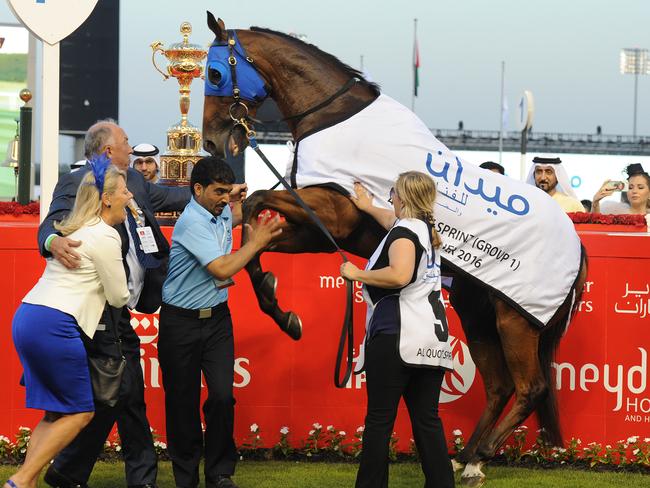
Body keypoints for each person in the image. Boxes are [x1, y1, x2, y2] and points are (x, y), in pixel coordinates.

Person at [38, 119, 191, 488]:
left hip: (123, 307)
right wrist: (52, 242)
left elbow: (173, 198)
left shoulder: (135, 181)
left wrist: (218, 190)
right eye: (125, 141)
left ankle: (72, 472)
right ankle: (95, 473)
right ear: (109, 150)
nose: (130, 145)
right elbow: (51, 223)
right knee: (119, 394)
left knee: (121, 395)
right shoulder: (78, 182)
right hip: (97, 309)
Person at [158, 156, 282, 488]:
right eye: (218, 192)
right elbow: (222, 269)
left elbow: (233, 215)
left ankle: (220, 474)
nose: (225, 199)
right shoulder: (192, 223)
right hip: (180, 324)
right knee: (182, 405)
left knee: (223, 397)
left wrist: (236, 198)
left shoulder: (219, 209)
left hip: (216, 322)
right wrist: (256, 243)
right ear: (197, 190)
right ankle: (186, 479)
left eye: (228, 191)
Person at [7, 162, 131, 488]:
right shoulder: (105, 235)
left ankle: (26, 482)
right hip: (55, 325)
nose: (129, 196)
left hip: (28, 316)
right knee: (81, 413)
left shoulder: (76, 226)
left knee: (55, 414)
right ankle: (19, 481)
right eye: (123, 191)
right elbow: (119, 297)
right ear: (106, 199)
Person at [340, 172, 454, 488]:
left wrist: (356, 273)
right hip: (432, 343)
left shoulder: (405, 233)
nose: (391, 199)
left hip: (396, 337)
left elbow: (399, 275)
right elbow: (392, 219)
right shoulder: (425, 230)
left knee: (379, 422)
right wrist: (367, 206)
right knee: (427, 422)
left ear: (402, 197)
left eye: (393, 193)